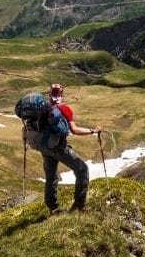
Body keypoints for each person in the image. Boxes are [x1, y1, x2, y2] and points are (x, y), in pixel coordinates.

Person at [24, 83, 101, 213]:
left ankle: (52, 207)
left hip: (44, 146)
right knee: (82, 169)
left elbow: (25, 127)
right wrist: (93, 131)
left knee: (51, 176)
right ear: (62, 94)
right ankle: (78, 206)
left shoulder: (40, 108)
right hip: (59, 146)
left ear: (49, 95)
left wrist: (24, 142)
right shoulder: (64, 109)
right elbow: (75, 130)